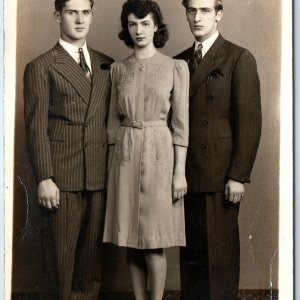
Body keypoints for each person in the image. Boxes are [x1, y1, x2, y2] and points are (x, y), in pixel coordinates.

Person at [23, 0, 113, 298]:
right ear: (57, 16)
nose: (79, 20)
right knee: (60, 268)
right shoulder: (42, 65)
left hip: (98, 179)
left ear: (92, 15)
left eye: (85, 12)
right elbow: (36, 127)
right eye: (71, 12)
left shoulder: (106, 64)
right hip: (61, 179)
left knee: (91, 270)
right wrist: (44, 178)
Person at [175, 0, 262, 299]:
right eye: (192, 11)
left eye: (205, 11)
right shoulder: (179, 61)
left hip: (220, 176)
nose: (197, 18)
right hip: (185, 177)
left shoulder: (239, 57)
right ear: (186, 13)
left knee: (219, 264)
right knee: (192, 262)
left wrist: (238, 175)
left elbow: (249, 122)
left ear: (219, 14)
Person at [103, 0, 189, 299]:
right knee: (130, 239)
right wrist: (111, 167)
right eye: (132, 24)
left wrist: (179, 173)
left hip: (159, 154)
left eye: (145, 23)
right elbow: (113, 126)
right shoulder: (116, 70)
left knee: (153, 242)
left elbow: (180, 125)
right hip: (124, 157)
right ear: (126, 28)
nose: (139, 30)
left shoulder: (175, 67)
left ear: (156, 26)